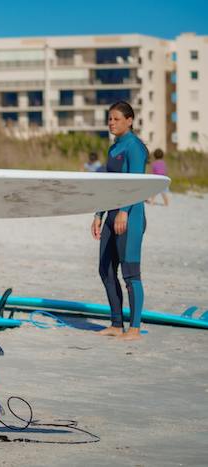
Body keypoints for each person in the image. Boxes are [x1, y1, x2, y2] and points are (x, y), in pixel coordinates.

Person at [91, 101, 148, 341]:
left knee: (130, 273)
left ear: (129, 120)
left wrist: (124, 211)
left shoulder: (135, 147)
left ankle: (134, 329)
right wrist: (98, 214)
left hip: (131, 216)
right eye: (109, 119)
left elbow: (137, 184)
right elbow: (108, 186)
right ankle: (116, 323)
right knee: (105, 269)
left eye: (116, 119)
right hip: (112, 215)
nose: (111, 123)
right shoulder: (114, 148)